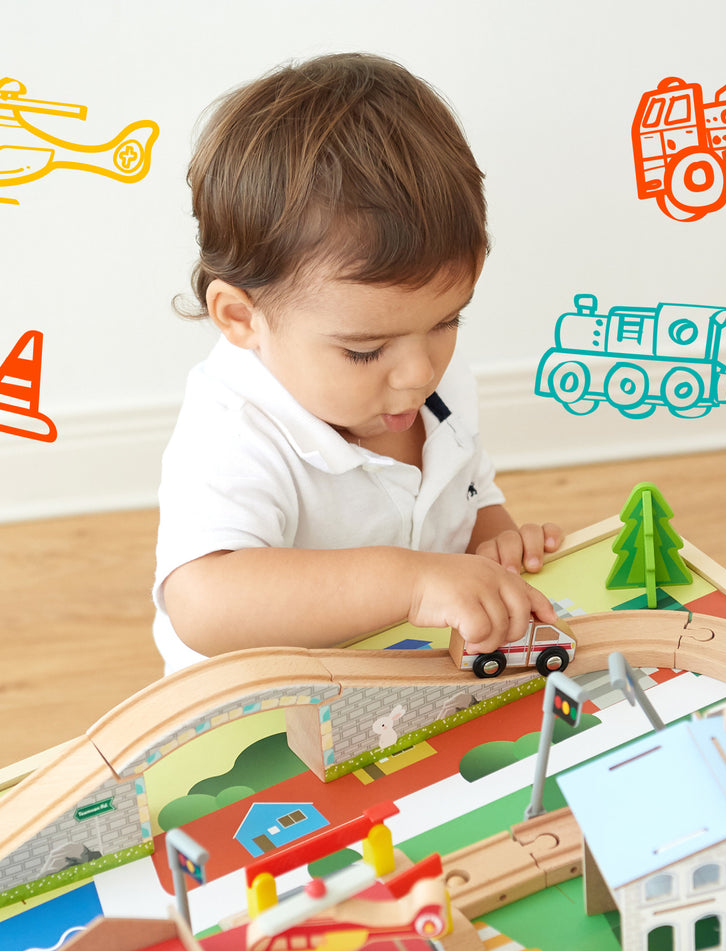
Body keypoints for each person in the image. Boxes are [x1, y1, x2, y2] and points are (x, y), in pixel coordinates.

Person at [154, 52, 562, 675]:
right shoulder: (234, 428)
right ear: (242, 318)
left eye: (448, 320)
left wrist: (491, 541)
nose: (419, 373)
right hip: (267, 705)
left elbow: (464, 487)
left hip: (407, 674)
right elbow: (204, 602)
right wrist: (411, 582)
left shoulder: (424, 368)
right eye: (365, 351)